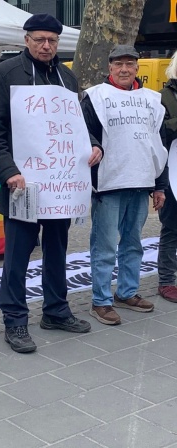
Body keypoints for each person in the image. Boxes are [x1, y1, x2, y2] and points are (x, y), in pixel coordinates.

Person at [0, 13, 98, 354]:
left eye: (52, 40)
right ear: (26, 40)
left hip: (61, 183)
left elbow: (77, 127)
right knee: (18, 253)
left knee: (57, 249)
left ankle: (56, 310)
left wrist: (94, 145)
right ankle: (15, 320)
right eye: (40, 40)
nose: (46, 45)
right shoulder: (6, 74)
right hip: (24, 183)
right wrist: (8, 173)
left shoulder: (67, 77)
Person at [81, 44, 168, 325]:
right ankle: (101, 300)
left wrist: (160, 185)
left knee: (133, 244)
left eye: (129, 64)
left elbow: (160, 145)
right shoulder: (94, 97)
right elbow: (85, 135)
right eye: (118, 64)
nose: (124, 69)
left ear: (137, 68)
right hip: (108, 184)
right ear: (109, 67)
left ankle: (127, 292)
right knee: (105, 247)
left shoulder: (153, 100)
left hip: (141, 181)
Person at [158, 53, 177, 302]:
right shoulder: (162, 97)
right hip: (171, 172)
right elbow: (159, 131)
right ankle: (166, 280)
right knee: (171, 227)